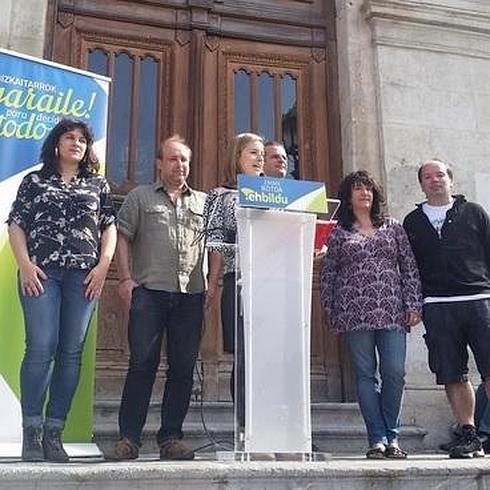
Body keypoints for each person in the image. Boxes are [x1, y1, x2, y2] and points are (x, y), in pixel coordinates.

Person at [7, 118, 117, 462]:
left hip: (84, 277)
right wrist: (24, 265)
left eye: (83, 139)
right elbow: (16, 223)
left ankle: (54, 432)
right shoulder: (35, 181)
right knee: (40, 348)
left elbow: (108, 227)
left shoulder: (97, 185)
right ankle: (31, 432)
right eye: (70, 137)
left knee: (71, 352)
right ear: (57, 143)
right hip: (42, 272)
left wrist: (103, 266)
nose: (77, 143)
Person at [106, 135, 206, 461]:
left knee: (183, 369)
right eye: (174, 159)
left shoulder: (203, 203)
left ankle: (171, 438)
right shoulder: (140, 197)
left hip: (190, 296)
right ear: (159, 163)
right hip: (149, 294)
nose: (180, 165)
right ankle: (128, 439)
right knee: (141, 366)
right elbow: (122, 238)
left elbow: (215, 246)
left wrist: (214, 282)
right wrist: (124, 279)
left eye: (185, 160)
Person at [320, 170, 422, 459]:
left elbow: (409, 267)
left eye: (369, 188)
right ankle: (377, 439)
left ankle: (393, 436)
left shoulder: (393, 227)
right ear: (348, 196)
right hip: (354, 312)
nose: (365, 193)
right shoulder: (339, 233)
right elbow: (328, 275)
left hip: (392, 310)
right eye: (358, 189)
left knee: (395, 373)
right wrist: (330, 309)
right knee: (365, 376)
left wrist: (414, 303)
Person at [403, 159, 490, 459]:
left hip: (479, 300)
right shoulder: (412, 221)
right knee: (453, 373)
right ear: (421, 184)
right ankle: (469, 435)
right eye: (427, 176)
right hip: (437, 305)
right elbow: (409, 268)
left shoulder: (474, 212)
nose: (434, 180)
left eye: (440, 175)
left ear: (451, 180)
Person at [204, 132, 265, 432]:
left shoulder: (278, 193)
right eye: (253, 152)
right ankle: (247, 428)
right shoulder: (221, 196)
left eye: (261, 153)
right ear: (237, 156)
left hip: (275, 281)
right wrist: (213, 283)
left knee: (271, 356)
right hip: (238, 280)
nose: (260, 158)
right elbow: (215, 241)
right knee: (244, 356)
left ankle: (277, 427)